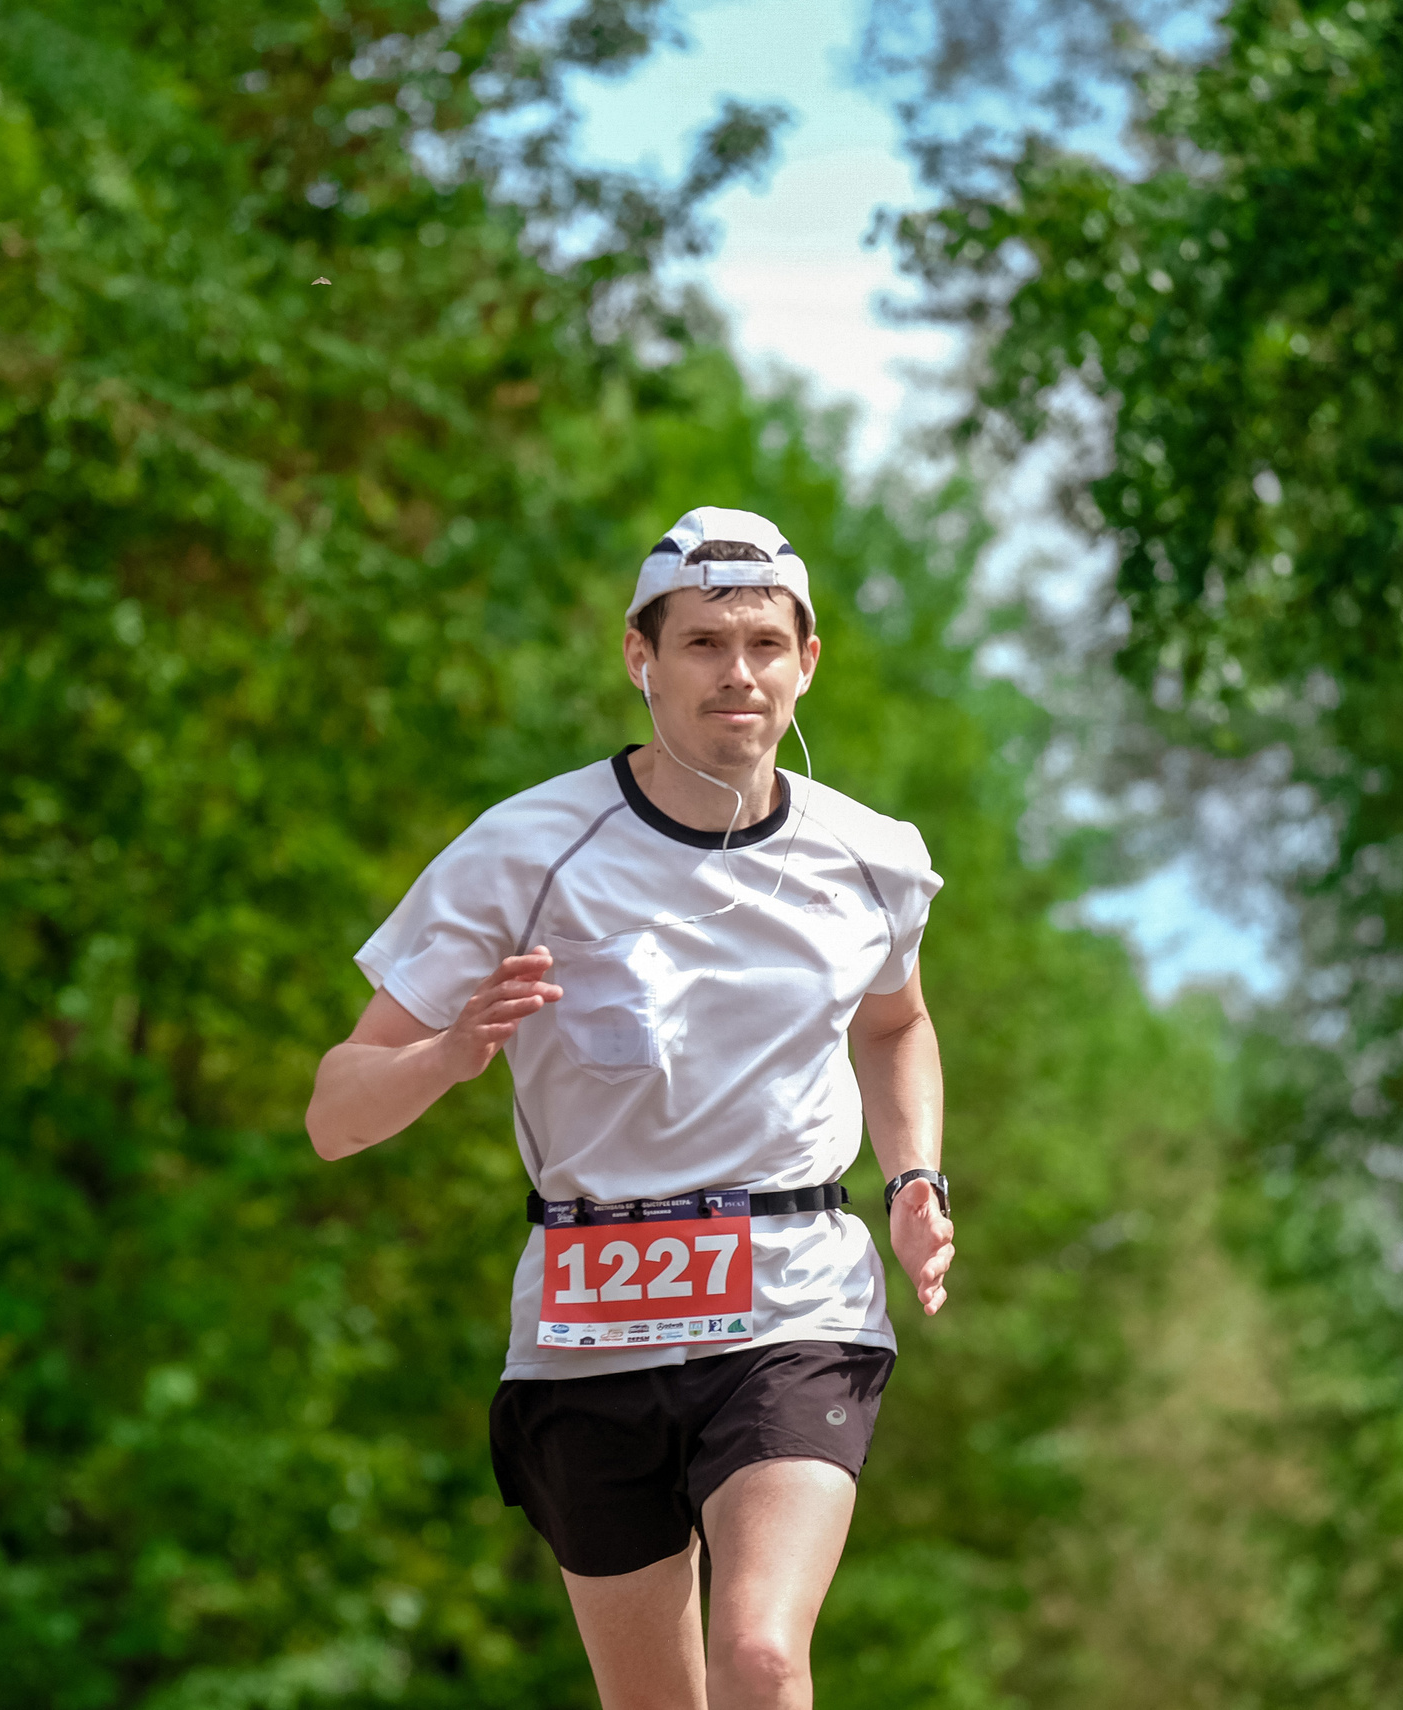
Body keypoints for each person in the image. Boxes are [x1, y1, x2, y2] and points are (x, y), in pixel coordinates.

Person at [305, 506, 954, 1710]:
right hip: (586, 1319)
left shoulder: (871, 857)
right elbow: (334, 1113)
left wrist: (914, 1176)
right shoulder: (526, 850)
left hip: (793, 1297)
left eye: (765, 644)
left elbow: (894, 1020)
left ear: (807, 662)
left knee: (761, 1655)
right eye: (703, 643)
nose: (738, 675)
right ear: (639, 657)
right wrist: (450, 1052)